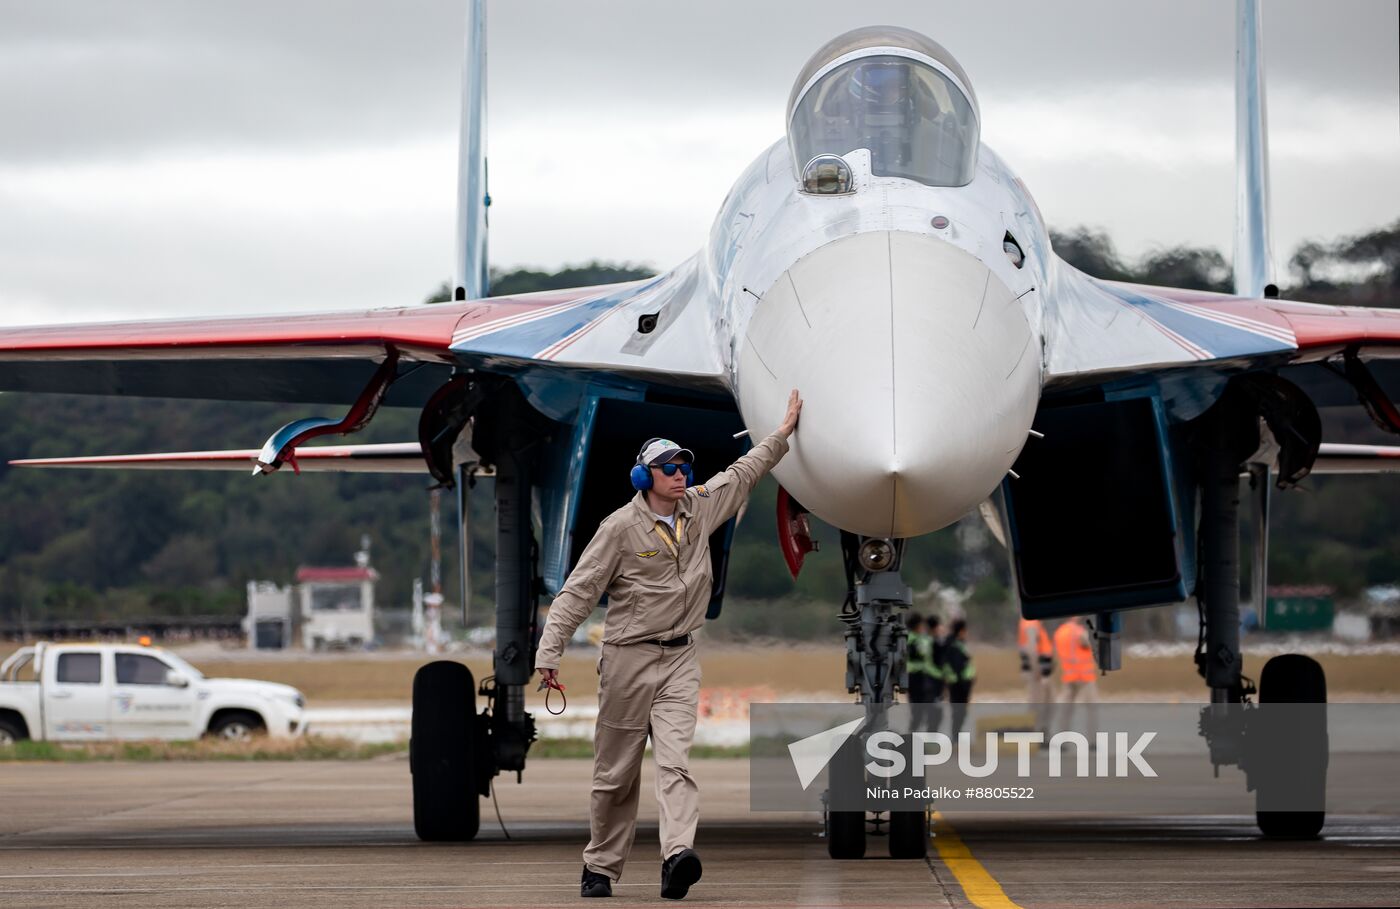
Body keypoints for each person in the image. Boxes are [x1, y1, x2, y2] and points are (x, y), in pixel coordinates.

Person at [535, 390, 803, 901]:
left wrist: (783, 432)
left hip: (681, 658)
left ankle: (677, 855)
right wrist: (549, 654)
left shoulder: (699, 509)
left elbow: (744, 472)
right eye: (669, 467)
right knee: (615, 776)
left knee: (676, 763)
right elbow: (578, 592)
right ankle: (600, 867)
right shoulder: (618, 529)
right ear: (644, 477)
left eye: (684, 465)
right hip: (627, 660)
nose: (681, 473)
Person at [1053, 616, 1099, 740]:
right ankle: (1093, 740)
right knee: (1092, 709)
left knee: (1065, 710)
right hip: (1084, 676)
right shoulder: (1078, 631)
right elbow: (1090, 642)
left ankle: (1061, 738)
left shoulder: (1059, 633)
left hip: (1069, 675)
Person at [904, 613, 942, 734]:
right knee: (924, 713)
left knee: (919, 713)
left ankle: (913, 738)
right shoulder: (917, 640)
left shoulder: (908, 639)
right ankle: (915, 740)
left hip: (915, 679)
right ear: (918, 626)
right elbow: (924, 658)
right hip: (919, 679)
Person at [1017, 616, 1054, 733]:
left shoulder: (1032, 622)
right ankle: (1037, 731)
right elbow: (1031, 647)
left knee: (1043, 700)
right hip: (1038, 671)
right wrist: (1036, 669)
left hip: (1040, 670)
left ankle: (1040, 730)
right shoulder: (1031, 622)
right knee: (1038, 701)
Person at [942, 618, 975, 738]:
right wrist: (964, 684)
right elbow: (958, 667)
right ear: (961, 631)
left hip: (960, 684)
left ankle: (956, 736)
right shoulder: (954, 646)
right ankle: (955, 737)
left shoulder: (957, 644)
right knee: (959, 713)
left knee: (960, 712)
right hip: (959, 685)